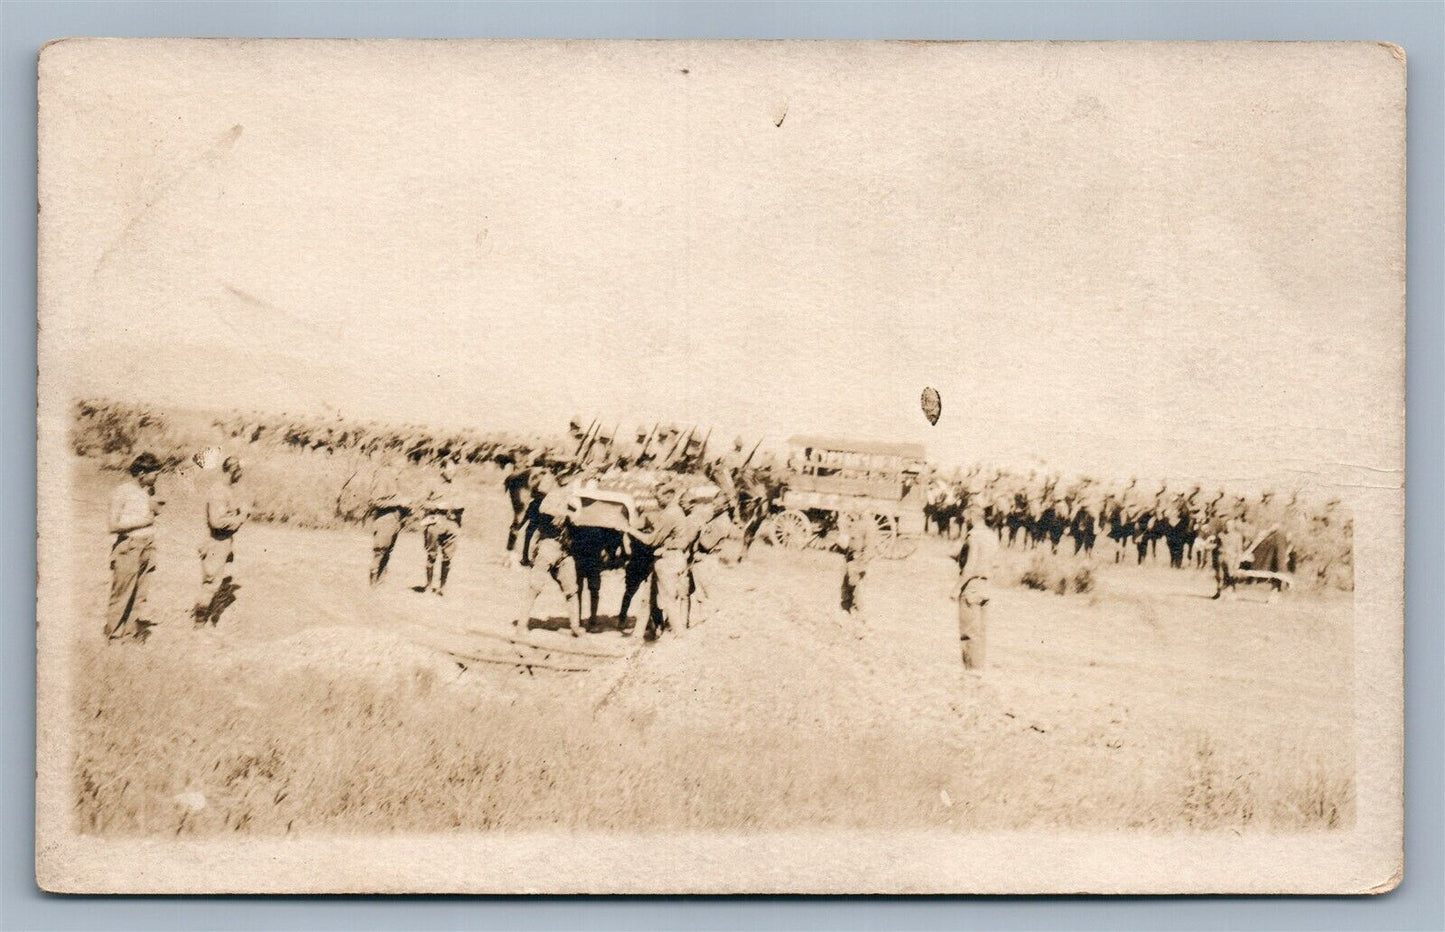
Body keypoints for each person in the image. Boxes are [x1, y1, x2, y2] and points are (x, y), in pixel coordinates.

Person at [512, 468, 583, 637]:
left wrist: (572, 515)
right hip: (548, 546)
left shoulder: (573, 500)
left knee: (572, 590)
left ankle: (575, 626)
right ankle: (522, 625)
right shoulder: (555, 495)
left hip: (565, 550)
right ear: (566, 481)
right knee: (535, 587)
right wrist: (565, 513)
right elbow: (544, 508)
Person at [106, 452, 163, 642]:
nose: (156, 478)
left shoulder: (148, 491)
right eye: (154, 474)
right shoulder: (121, 491)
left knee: (139, 595)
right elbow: (113, 526)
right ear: (142, 474)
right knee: (122, 594)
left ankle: (129, 636)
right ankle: (113, 637)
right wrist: (144, 521)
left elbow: (154, 512)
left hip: (148, 547)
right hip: (129, 547)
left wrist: (154, 507)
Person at [626, 481, 691, 639]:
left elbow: (651, 540)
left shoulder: (670, 513)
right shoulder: (675, 511)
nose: (657, 499)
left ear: (669, 496)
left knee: (667, 599)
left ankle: (680, 634)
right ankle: (637, 634)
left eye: (659, 496)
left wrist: (629, 529)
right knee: (647, 597)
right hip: (671, 558)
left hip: (668, 560)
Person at [192, 456, 247, 627]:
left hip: (222, 541)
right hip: (216, 542)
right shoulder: (219, 492)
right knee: (211, 584)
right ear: (232, 471)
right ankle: (199, 624)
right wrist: (241, 517)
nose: (241, 475)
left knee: (213, 582)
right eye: (239, 472)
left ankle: (205, 620)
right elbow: (217, 522)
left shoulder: (226, 490)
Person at [955, 504, 998, 671]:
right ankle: (979, 668)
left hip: (971, 586)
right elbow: (994, 563)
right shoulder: (992, 536)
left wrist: (957, 588)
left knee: (968, 631)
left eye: (967, 517)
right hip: (986, 586)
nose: (966, 520)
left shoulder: (973, 537)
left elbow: (970, 566)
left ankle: (970, 671)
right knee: (980, 631)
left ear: (973, 516)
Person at [417, 460, 464, 596]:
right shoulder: (432, 483)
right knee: (431, 555)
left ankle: (442, 587)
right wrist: (437, 506)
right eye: (449, 470)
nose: (451, 473)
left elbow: (462, 503)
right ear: (442, 469)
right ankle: (428, 585)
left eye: (453, 470)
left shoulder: (458, 485)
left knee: (448, 557)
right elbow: (421, 502)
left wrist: (457, 509)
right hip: (435, 521)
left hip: (452, 523)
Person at [366, 464, 407, 585]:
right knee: (380, 551)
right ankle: (372, 584)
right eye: (400, 468)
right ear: (393, 466)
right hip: (384, 520)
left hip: (395, 521)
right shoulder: (384, 479)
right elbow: (376, 502)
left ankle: (380, 581)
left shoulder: (396, 481)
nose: (401, 471)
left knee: (388, 551)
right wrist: (398, 502)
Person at [835, 512, 874, 622]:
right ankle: (845, 611)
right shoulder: (854, 523)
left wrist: (861, 564)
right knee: (846, 586)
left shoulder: (869, 525)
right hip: (849, 559)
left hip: (859, 560)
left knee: (858, 589)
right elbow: (845, 543)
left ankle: (860, 618)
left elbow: (869, 548)